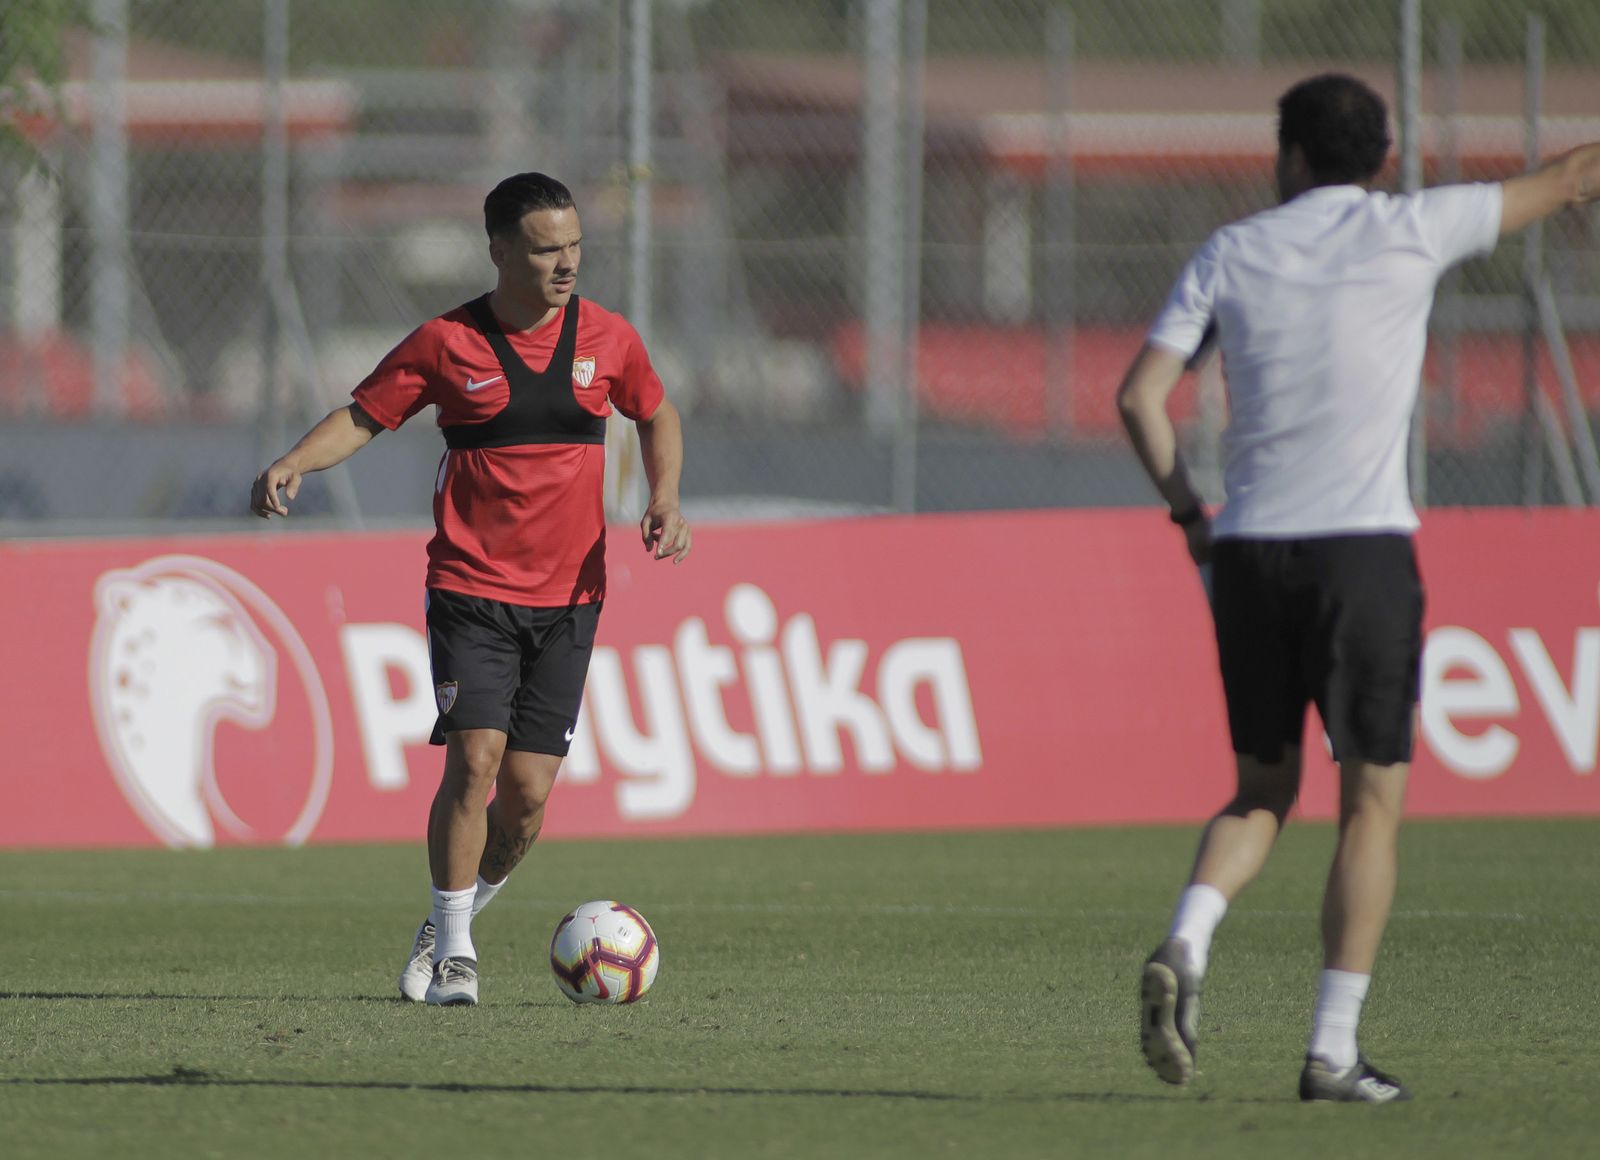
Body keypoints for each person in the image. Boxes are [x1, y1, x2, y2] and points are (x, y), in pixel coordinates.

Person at [1116, 73, 1599, 1101]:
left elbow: (1139, 395)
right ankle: (1330, 1049)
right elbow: (1563, 181)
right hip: (1361, 550)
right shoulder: (1413, 225)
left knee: (1260, 789)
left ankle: (1188, 936)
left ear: (1285, 156)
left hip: (1249, 551)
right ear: (1383, 158)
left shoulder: (1231, 250)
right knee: (1369, 803)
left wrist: (1189, 515)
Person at [250, 171, 691, 1007]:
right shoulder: (445, 343)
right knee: (476, 762)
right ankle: (456, 954)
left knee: (524, 800)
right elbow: (363, 416)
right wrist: (292, 463)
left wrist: (664, 496)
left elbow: (656, 411)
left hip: (571, 599)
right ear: (498, 252)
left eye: (574, 245)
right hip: (471, 589)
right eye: (546, 248)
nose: (566, 263)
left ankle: (447, 919)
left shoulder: (607, 337)